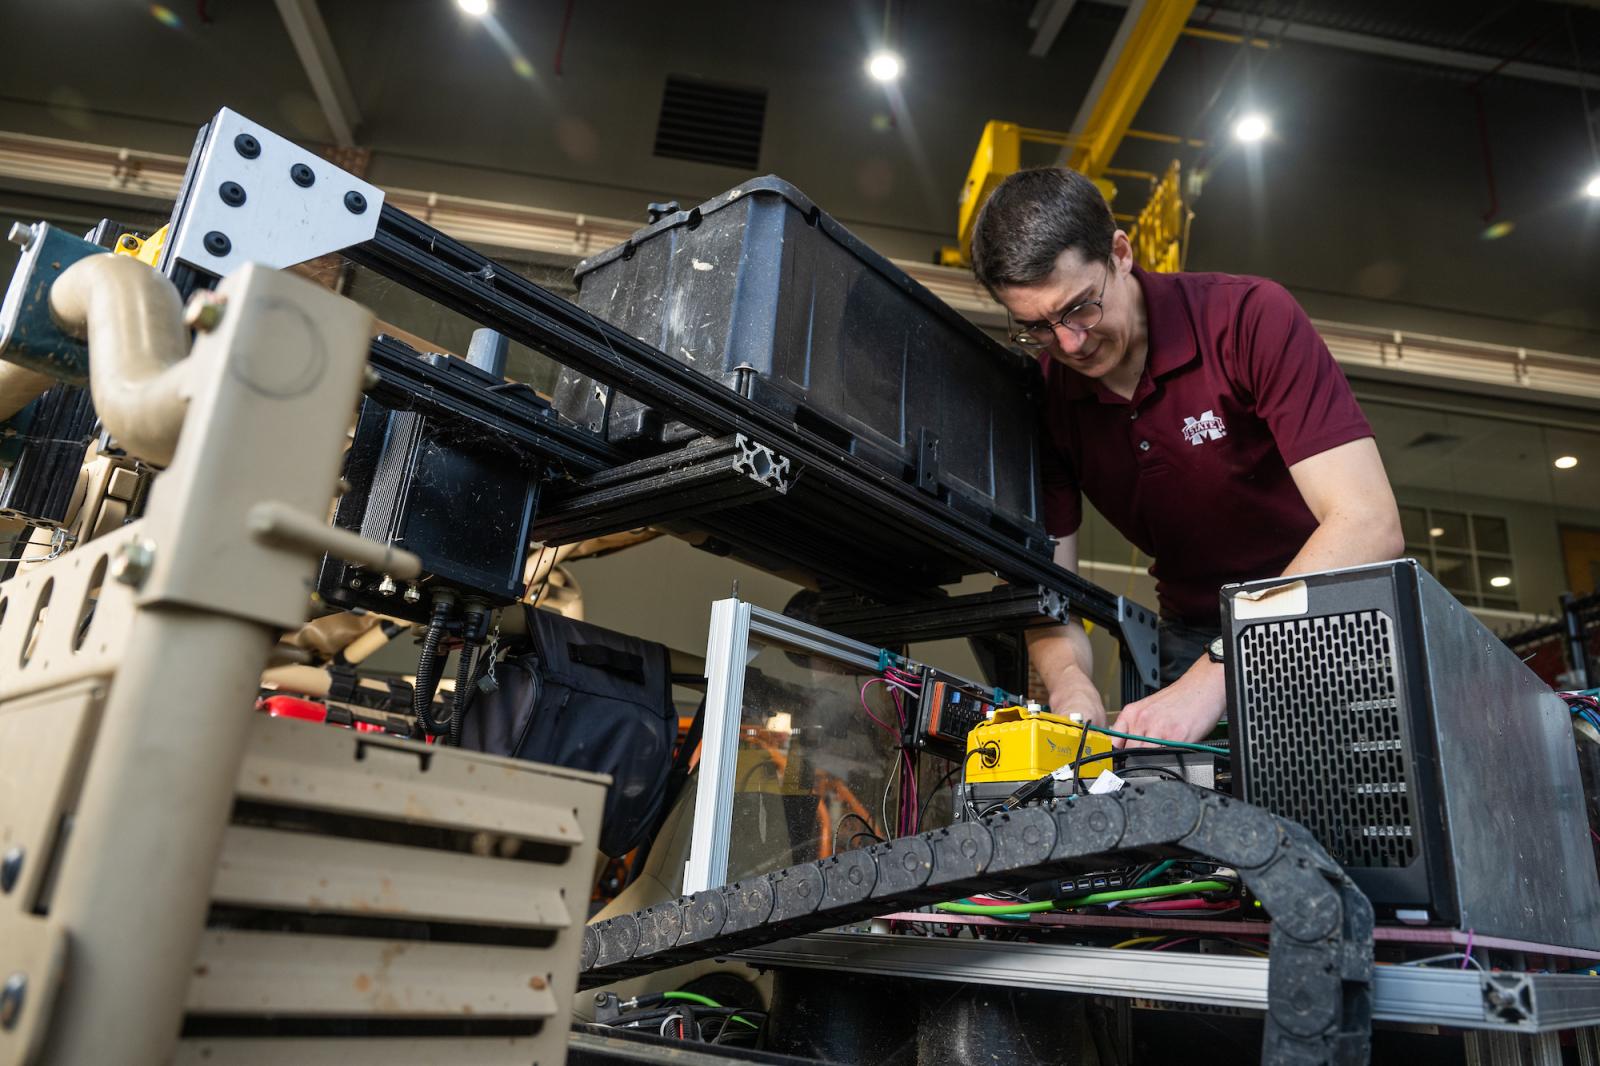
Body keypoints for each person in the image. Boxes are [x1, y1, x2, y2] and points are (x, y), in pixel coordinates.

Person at [970, 167, 1404, 747]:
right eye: (1038, 328)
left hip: (1334, 622)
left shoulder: (1248, 318)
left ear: (1120, 253)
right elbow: (1052, 588)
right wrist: (1070, 682)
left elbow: (1368, 522)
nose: (1070, 344)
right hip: (1194, 635)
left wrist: (1219, 670)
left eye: (1080, 309)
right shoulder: (1048, 395)